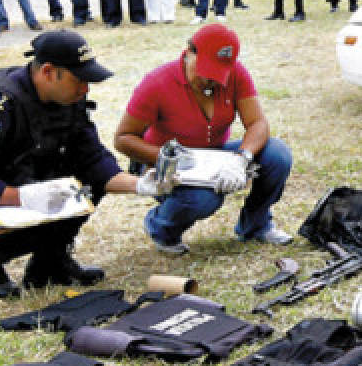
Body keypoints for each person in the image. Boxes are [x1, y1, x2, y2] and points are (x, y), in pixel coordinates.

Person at [0, 31, 168, 299]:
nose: (85, 88)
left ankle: (49, 264)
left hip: (25, 178)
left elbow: (92, 159)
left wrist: (144, 185)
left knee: (84, 187)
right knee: (48, 200)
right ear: (49, 72)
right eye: (79, 79)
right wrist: (26, 198)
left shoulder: (68, 100)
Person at [114, 24, 294, 254]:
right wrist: (167, 157)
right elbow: (122, 138)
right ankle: (161, 227)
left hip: (212, 155)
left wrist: (241, 159)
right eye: (205, 72)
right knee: (204, 199)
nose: (210, 81)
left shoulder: (237, 74)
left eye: (218, 74)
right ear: (189, 52)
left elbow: (258, 123)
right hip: (168, 163)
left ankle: (256, 225)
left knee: (277, 154)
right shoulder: (157, 82)